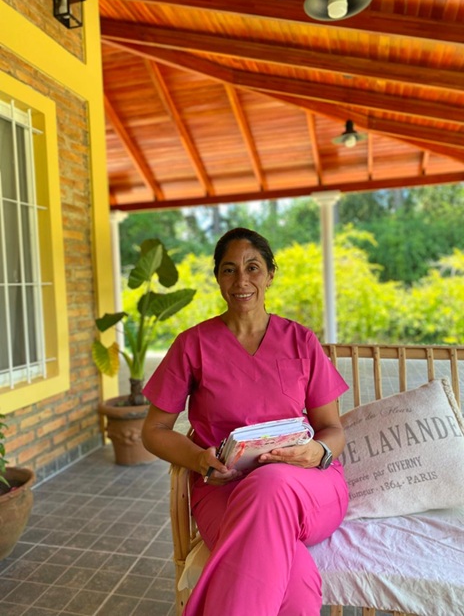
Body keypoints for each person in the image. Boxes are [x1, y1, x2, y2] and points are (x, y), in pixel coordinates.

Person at [141, 227, 349, 616]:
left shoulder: (301, 340)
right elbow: (153, 432)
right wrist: (199, 459)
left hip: (306, 483)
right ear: (218, 278)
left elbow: (333, 429)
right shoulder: (192, 344)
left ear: (270, 275)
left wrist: (318, 451)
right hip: (224, 489)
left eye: (253, 268)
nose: (241, 281)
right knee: (295, 575)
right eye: (229, 269)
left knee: (271, 482)